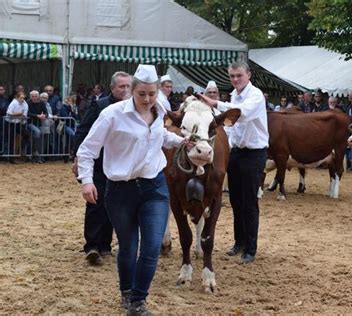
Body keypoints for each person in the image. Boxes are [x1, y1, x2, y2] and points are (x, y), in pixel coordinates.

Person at [77, 65, 189, 314]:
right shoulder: (112, 114)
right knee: (128, 246)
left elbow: (159, 136)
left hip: (155, 187)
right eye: (142, 94)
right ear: (132, 91)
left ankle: (138, 301)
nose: (147, 99)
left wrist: (181, 141)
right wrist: (87, 180)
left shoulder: (159, 112)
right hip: (120, 191)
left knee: (151, 247)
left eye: (152, 94)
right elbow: (87, 150)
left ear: (157, 92)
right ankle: (126, 292)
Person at [197, 61, 268, 264]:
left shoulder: (254, 95)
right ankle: (239, 242)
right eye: (232, 76)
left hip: (254, 153)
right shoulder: (235, 95)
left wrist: (215, 104)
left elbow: (240, 114)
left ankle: (251, 248)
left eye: (239, 75)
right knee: (236, 199)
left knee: (249, 202)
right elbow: (230, 128)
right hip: (236, 152)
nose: (235, 79)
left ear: (249, 75)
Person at [72, 71, 131, 265]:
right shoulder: (100, 105)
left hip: (120, 164)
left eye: (128, 86)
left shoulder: (134, 108)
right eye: (121, 86)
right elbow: (82, 131)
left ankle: (105, 245)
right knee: (95, 202)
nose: (125, 90)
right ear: (112, 88)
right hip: (98, 162)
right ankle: (92, 246)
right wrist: (78, 158)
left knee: (113, 204)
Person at [6, 91, 29, 163]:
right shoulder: (13, 103)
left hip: (19, 123)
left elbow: (24, 115)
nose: (22, 99)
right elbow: (9, 113)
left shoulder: (25, 104)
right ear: (16, 97)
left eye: (23, 98)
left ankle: (21, 151)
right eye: (21, 98)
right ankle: (11, 158)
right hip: (10, 123)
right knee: (11, 140)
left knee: (26, 134)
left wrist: (16, 114)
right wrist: (18, 114)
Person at [27, 90, 48, 163]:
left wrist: (44, 115)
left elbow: (46, 113)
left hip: (39, 123)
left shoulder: (42, 103)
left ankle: (40, 156)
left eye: (36, 96)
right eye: (32, 96)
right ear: (30, 97)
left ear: (38, 96)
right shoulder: (28, 102)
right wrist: (37, 116)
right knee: (37, 132)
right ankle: (34, 151)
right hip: (30, 123)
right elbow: (27, 113)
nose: (34, 98)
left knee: (43, 136)